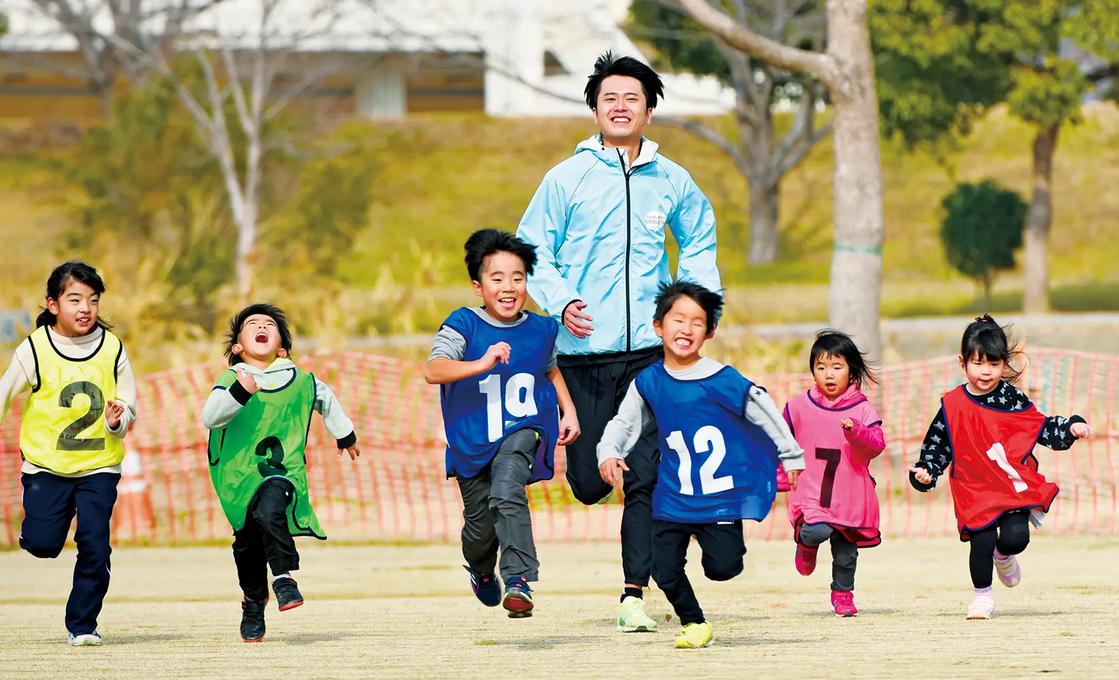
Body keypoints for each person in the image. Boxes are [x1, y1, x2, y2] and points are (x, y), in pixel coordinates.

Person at [516, 51, 721, 632]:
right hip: (581, 355)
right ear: (595, 109)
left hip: (649, 356)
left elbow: (699, 240)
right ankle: (594, 491)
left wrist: (697, 311)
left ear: (649, 110)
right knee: (586, 482)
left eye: (633, 98)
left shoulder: (672, 179)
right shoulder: (566, 177)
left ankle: (633, 595)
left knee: (641, 474)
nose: (621, 106)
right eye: (611, 98)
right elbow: (533, 250)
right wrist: (561, 303)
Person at [597, 281, 803, 648]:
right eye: (678, 319)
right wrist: (610, 451)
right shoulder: (648, 382)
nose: (686, 329)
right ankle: (694, 623)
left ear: (709, 332)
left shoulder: (721, 379)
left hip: (719, 499)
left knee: (723, 568)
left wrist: (791, 455)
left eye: (697, 322)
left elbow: (762, 408)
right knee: (663, 568)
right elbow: (625, 423)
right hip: (673, 497)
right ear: (658, 326)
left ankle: (724, 552)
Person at [425, 229, 580, 619]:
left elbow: (548, 370)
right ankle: (481, 569)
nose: (509, 287)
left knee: (508, 490)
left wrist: (569, 410)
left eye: (518, 277)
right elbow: (434, 370)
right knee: (480, 529)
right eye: (497, 279)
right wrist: (481, 362)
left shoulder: (543, 328)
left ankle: (519, 581)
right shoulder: (463, 325)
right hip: (473, 439)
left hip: (523, 428)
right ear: (479, 286)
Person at [908, 315, 1092, 620]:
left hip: (1010, 485)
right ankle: (982, 597)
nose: (985, 371)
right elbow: (938, 445)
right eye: (978, 363)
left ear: (1003, 365)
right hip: (975, 488)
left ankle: (1004, 556)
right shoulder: (952, 405)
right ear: (962, 362)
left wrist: (1070, 428)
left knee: (1015, 538)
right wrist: (927, 471)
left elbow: (1040, 427)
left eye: (993, 364)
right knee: (981, 541)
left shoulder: (1012, 399)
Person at [203, 303, 359, 642]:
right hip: (237, 479)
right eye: (253, 324)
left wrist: (345, 434)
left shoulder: (302, 380)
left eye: (269, 324)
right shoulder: (232, 379)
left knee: (272, 509)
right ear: (237, 347)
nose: (262, 326)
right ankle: (254, 601)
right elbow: (211, 418)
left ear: (282, 348)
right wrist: (240, 392)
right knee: (246, 545)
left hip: (283, 471)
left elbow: (327, 398)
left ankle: (285, 577)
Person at [0, 262, 137, 646]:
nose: (85, 309)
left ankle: (83, 625)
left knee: (95, 544)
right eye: (74, 299)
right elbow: (4, 393)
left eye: (93, 300)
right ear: (53, 303)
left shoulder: (112, 348)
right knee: (44, 544)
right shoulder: (35, 348)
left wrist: (117, 419)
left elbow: (129, 403)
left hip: (99, 467)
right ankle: (37, 534)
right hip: (46, 467)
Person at [777, 330, 884, 617]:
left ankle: (843, 594)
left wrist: (857, 432)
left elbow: (876, 446)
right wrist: (780, 472)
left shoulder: (861, 409)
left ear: (851, 371)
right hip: (812, 491)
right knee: (817, 529)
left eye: (837, 367)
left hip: (850, 495)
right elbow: (781, 439)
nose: (829, 374)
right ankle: (806, 544)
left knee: (847, 551)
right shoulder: (798, 406)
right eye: (821, 367)